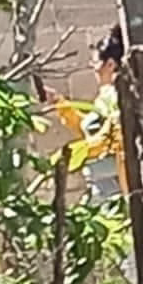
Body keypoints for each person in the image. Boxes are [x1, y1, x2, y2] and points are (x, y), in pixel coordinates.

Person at [54, 25, 127, 203]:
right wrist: (60, 104)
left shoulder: (114, 97)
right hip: (100, 186)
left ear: (110, 64)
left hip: (115, 188)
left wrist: (83, 150)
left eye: (95, 62)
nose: (93, 68)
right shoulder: (105, 97)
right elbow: (89, 129)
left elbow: (117, 140)